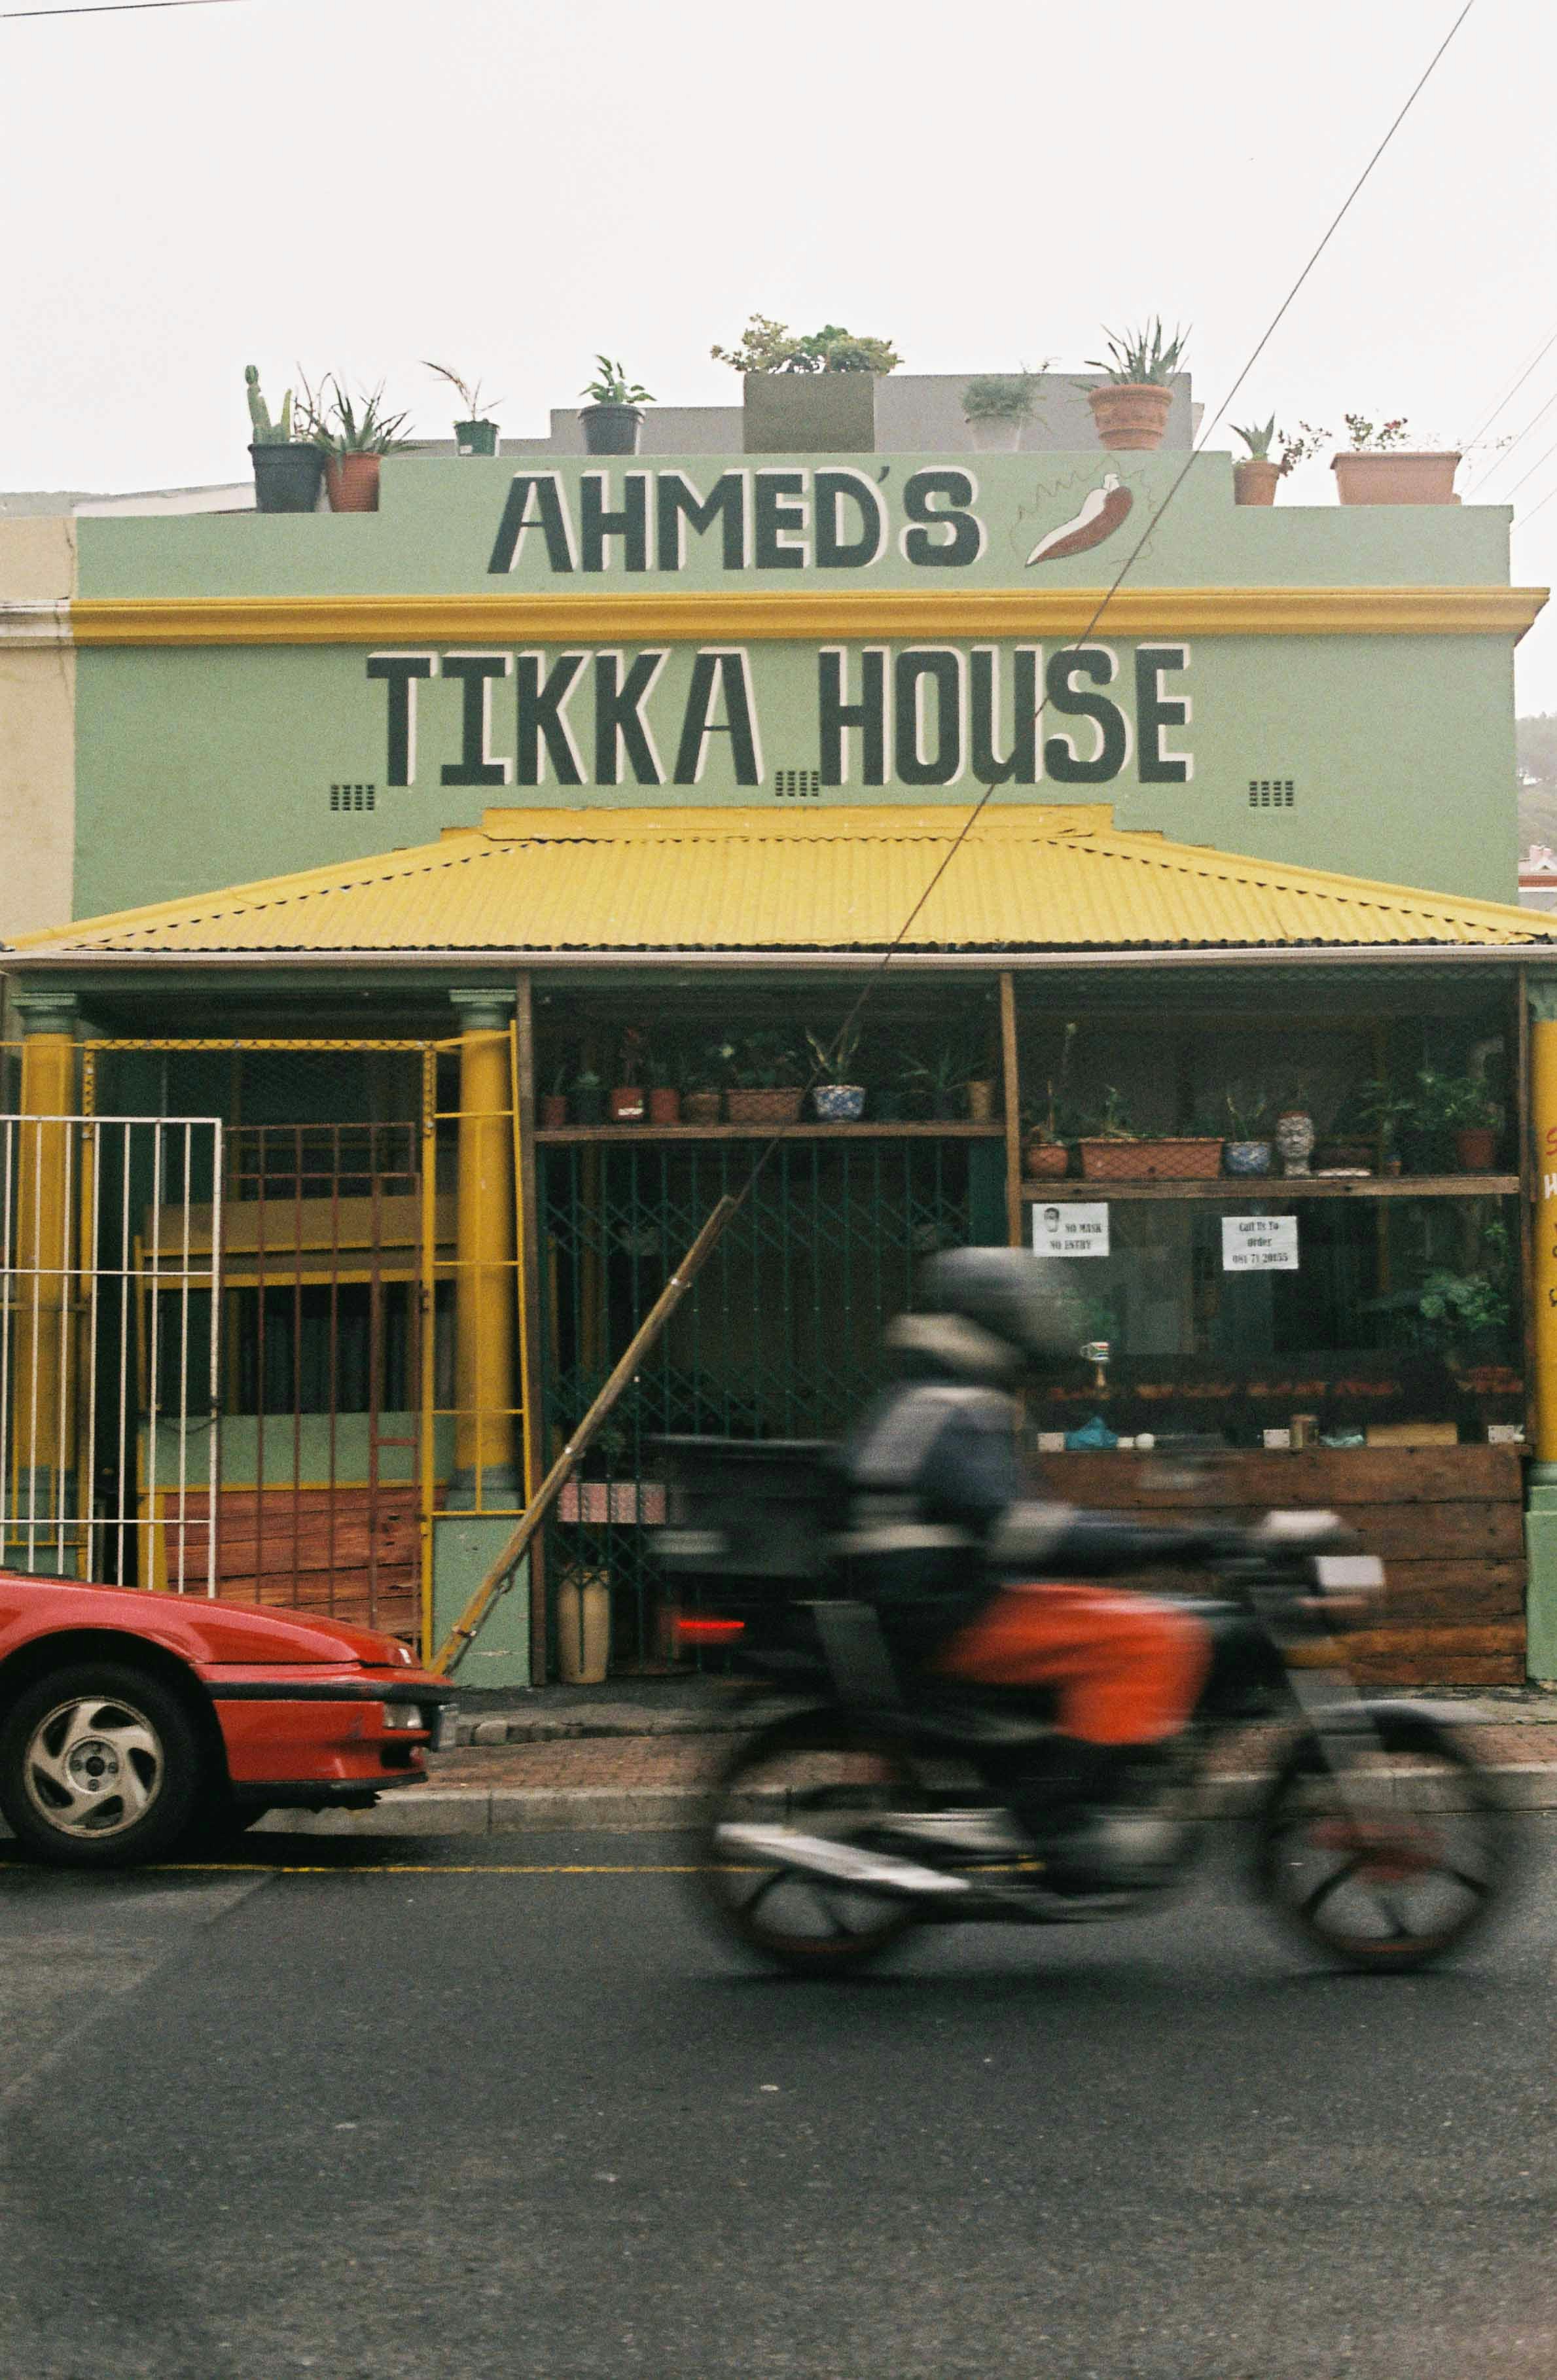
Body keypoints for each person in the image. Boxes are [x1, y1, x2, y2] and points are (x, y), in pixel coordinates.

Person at [834, 1247, 1213, 1888]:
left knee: (1087, 1609)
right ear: (988, 1320)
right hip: (945, 1611)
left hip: (934, 1598)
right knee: (1152, 1639)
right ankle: (1054, 1819)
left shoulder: (930, 1398)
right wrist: (1161, 1545)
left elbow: (1008, 1523)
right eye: (1018, 1311)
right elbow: (1017, 1526)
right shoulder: (954, 1407)